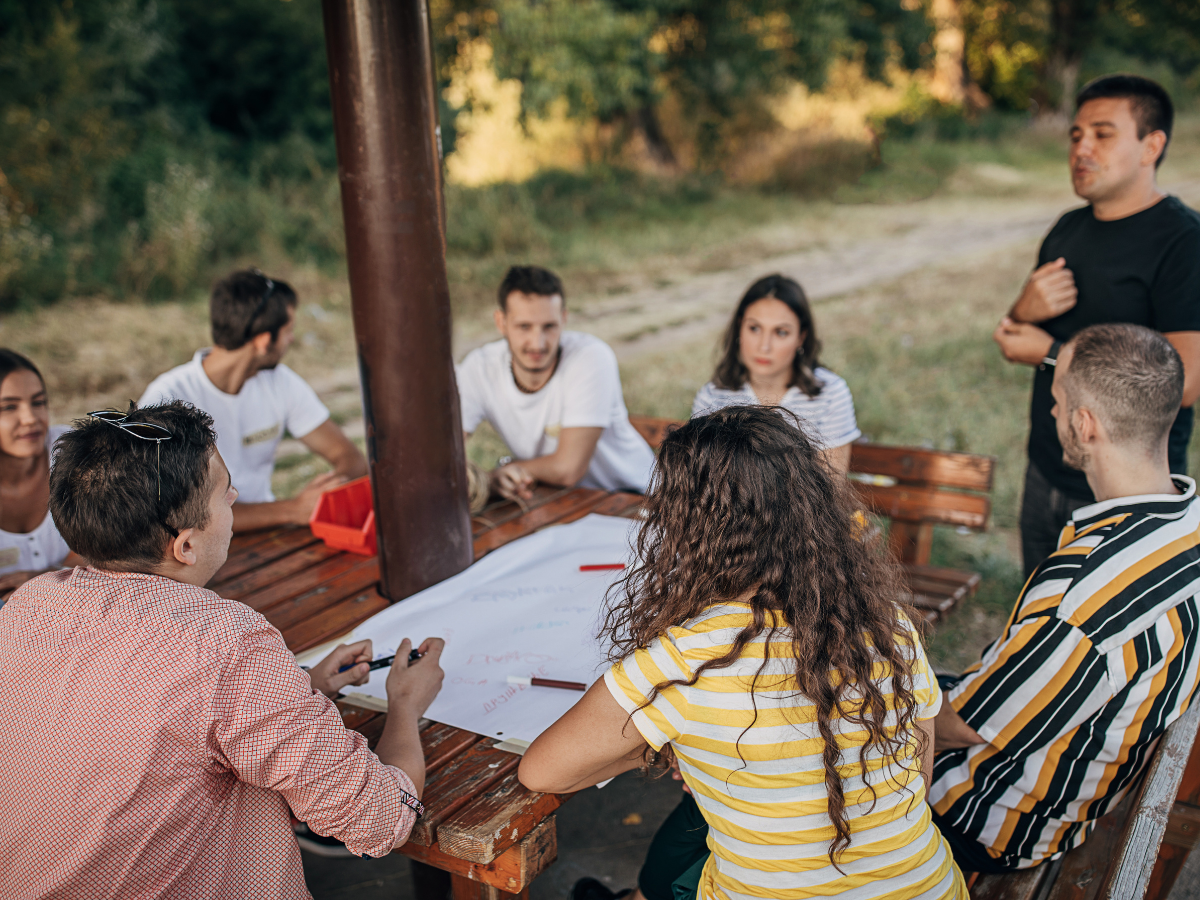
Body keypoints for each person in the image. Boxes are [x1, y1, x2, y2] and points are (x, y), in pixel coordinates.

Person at [519, 405, 968, 900]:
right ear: (813, 508)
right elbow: (916, 782)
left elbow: (541, 771)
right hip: (930, 888)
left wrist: (655, 748)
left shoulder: (685, 662)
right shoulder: (888, 626)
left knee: (679, 866)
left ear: (688, 529)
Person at [0, 401, 444, 899]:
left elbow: (148, 709)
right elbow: (378, 818)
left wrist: (302, 688)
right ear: (185, 547)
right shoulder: (225, 643)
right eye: (224, 492)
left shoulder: (30, 605)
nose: (235, 495)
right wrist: (405, 705)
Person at [931, 324, 1200, 874]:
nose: (1053, 415)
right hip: (1072, 778)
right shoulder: (1188, 523)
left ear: (1084, 424)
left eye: (1056, 404)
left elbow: (960, 726)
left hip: (986, 819)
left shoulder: (1080, 595)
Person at [992, 74, 1200, 579]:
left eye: (1102, 134)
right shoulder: (1067, 228)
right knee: (1039, 619)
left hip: (1130, 490)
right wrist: (1024, 305)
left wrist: (1050, 353)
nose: (1081, 148)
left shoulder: (1183, 243)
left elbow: (1187, 383)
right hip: (1046, 465)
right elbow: (1012, 333)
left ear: (1152, 145)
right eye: (1076, 135)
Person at [140, 269, 367, 532]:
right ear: (263, 340)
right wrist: (293, 509)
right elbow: (167, 510)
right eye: (288, 330)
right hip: (193, 547)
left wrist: (325, 493)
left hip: (268, 532)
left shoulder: (280, 382)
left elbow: (350, 458)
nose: (292, 339)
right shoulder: (167, 398)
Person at [457, 265, 656, 500]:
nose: (538, 343)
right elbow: (442, 454)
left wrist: (503, 473)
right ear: (501, 322)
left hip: (636, 498)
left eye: (549, 326)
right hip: (560, 502)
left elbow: (568, 469)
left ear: (564, 319)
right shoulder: (479, 367)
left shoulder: (590, 356)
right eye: (524, 327)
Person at [692, 274, 860, 474]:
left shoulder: (830, 395)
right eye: (754, 328)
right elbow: (702, 481)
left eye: (781, 332)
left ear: (801, 337)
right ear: (739, 328)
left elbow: (832, 489)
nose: (764, 346)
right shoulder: (713, 396)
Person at [0, 349, 82, 603]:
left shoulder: (72, 451)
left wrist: (52, 579)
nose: (30, 419)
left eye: (38, 402)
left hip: (75, 607)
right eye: (8, 407)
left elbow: (122, 545)